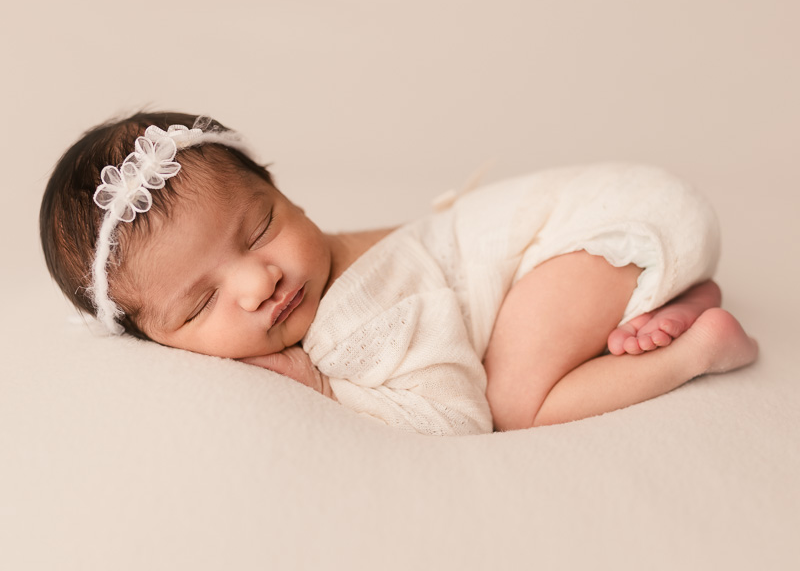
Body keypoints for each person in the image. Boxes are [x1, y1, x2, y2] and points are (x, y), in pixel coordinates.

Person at [40, 111, 758, 435]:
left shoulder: (353, 322)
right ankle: (663, 292)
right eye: (202, 304)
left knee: (517, 400)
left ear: (285, 192)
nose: (259, 283)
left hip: (609, 229)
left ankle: (699, 347)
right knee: (525, 316)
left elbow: (462, 417)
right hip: (634, 204)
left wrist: (324, 387)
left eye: (260, 229)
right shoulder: (336, 251)